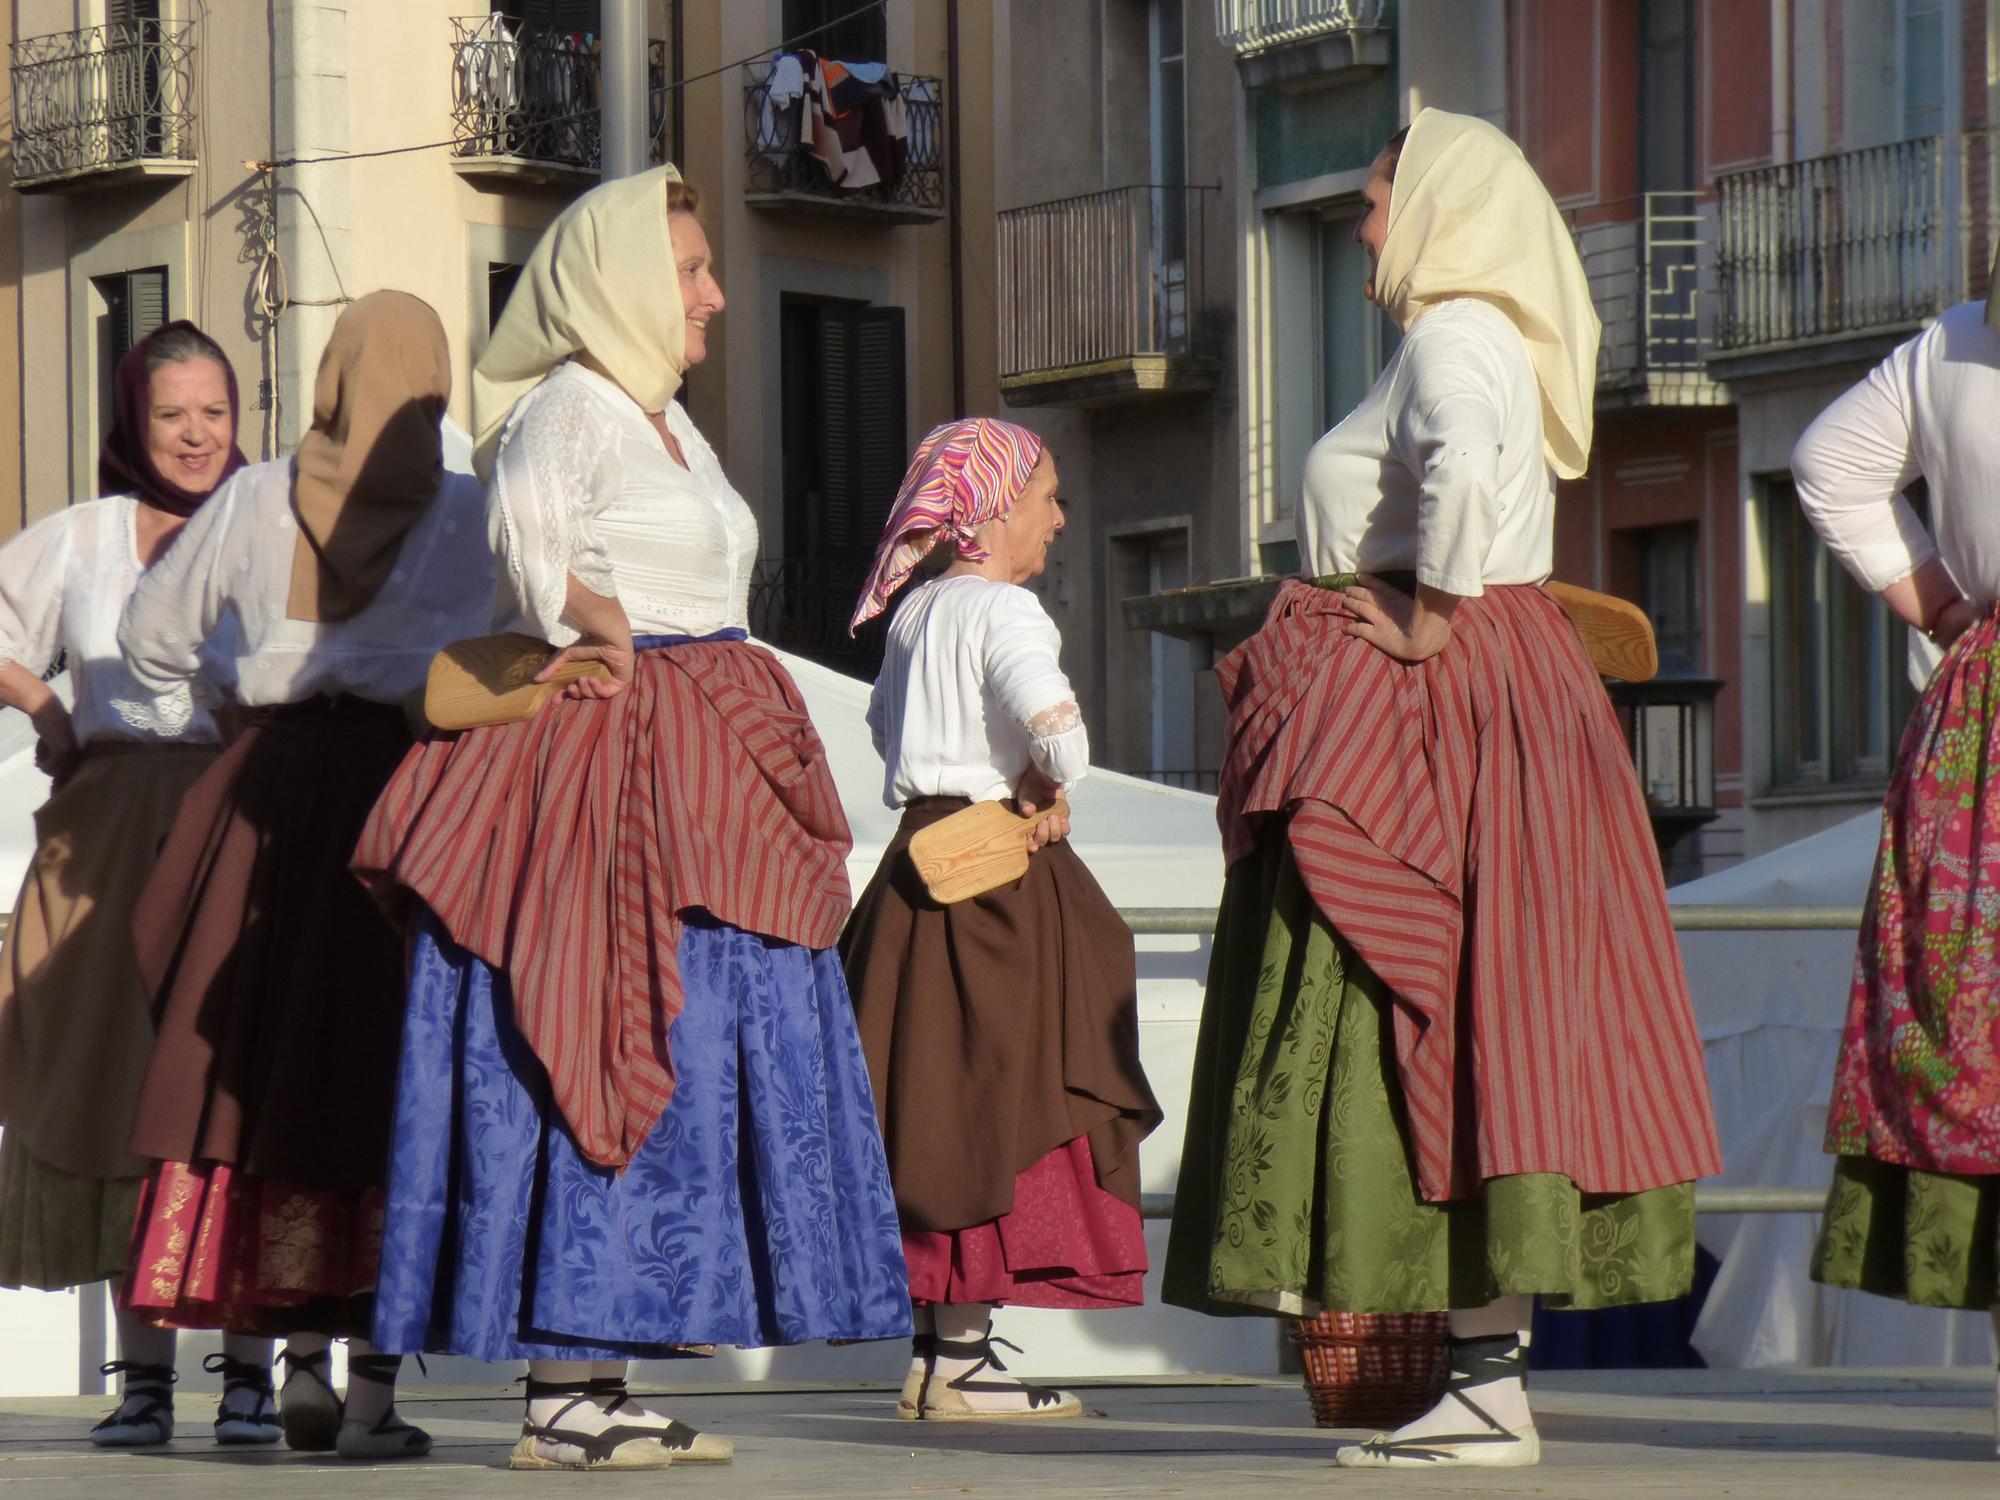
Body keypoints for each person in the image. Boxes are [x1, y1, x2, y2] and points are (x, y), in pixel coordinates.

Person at [1162, 108, 1722, 1470]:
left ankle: (1486, 1382)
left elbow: (1462, 468)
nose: (1361, 225)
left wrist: (1428, 618)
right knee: (1481, 1015)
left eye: (1374, 198)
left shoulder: (1457, 336)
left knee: (1446, 1010)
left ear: (1444, 212)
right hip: (1490, 695)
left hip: (1449, 701)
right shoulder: (1468, 336)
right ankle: (1480, 1376)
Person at [352, 164, 908, 1475]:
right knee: (608, 1018)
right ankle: (563, 1388)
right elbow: (536, 556)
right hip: (617, 762)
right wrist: (610, 637)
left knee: (685, 1037)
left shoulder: (669, 424)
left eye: (713, 267)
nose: (714, 294)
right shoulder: (572, 410)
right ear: (616, 287)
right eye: (692, 272)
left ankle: (597, 1372)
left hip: (706, 759)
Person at [115, 290, 492, 1462]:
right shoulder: (470, 512)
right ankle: (372, 1400)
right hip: (405, 803)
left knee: (262, 1067)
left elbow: (145, 643)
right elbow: (514, 647)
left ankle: (295, 1368)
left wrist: (226, 707)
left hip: (267, 798)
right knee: (387, 1077)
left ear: (326, 379)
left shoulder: (254, 494)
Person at [840, 419, 1161, 1421]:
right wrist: (1042, 774)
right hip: (995, 873)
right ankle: (968, 1363)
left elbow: (881, 730)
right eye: (1046, 498)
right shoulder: (1007, 613)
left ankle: (938, 1353)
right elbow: (1060, 737)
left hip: (912, 869)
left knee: (928, 1096)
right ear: (987, 517)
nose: (1059, 520)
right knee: (1003, 1096)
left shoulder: (915, 611)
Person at [0, 321, 280, 1447]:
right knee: (123, 1091)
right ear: (133, 422)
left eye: (213, 411)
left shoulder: (269, 531)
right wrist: (45, 701)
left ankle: (251, 1371)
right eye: (173, 414)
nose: (198, 434)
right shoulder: (81, 537)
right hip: (109, 834)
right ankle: (147, 1379)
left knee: (234, 1082)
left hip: (240, 823)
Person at [1791, 269, 2000, 1457]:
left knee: (1979, 1032)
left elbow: (1828, 463)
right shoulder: (1951, 342)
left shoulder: (1953, 341)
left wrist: (1941, 603)